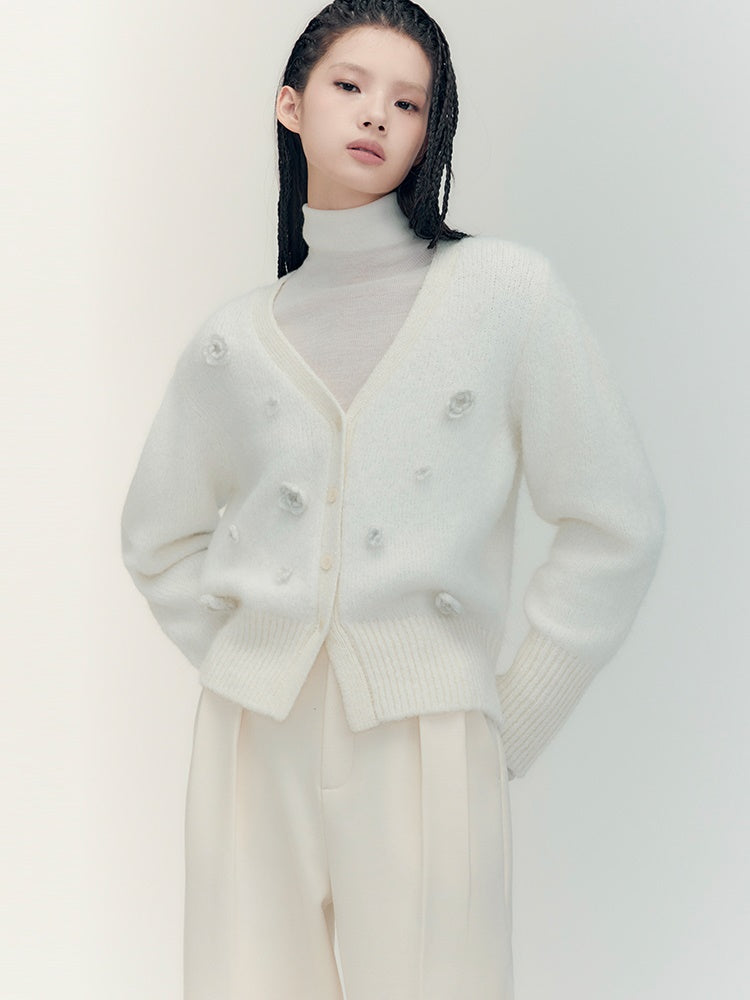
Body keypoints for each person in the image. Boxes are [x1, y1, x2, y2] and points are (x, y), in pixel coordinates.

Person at [119, 2, 666, 998]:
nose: (378, 113)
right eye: (349, 85)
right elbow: (157, 535)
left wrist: (512, 713)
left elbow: (615, 522)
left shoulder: (505, 294)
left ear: (430, 131)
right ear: (290, 105)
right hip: (249, 740)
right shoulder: (233, 341)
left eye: (409, 102)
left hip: (429, 735)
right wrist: (248, 658)